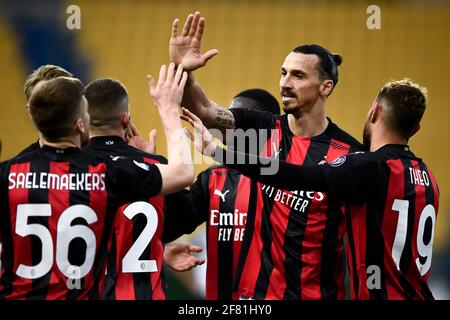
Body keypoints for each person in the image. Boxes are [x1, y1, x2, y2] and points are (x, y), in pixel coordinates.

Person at [186, 78, 439, 300]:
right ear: (415, 129)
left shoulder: (369, 166)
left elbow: (299, 175)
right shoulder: (428, 178)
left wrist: (218, 153)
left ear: (374, 112)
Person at [169, 12, 363, 299]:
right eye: (283, 73)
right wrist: (182, 69)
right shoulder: (261, 127)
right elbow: (206, 110)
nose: (285, 83)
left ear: (326, 87)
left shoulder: (350, 153)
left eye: (298, 75)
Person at [0, 63, 194, 299]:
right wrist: (168, 108)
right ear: (81, 123)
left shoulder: (9, 173)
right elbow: (183, 172)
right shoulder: (103, 173)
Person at [84, 78, 204, 300]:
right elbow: (186, 215)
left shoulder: (70, 170)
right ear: (126, 119)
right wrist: (149, 160)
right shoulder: (154, 168)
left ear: (83, 119)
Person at [164, 88, 280, 300]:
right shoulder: (214, 177)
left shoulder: (287, 178)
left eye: (238, 120)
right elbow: (175, 223)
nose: (227, 126)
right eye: (227, 117)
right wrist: (161, 175)